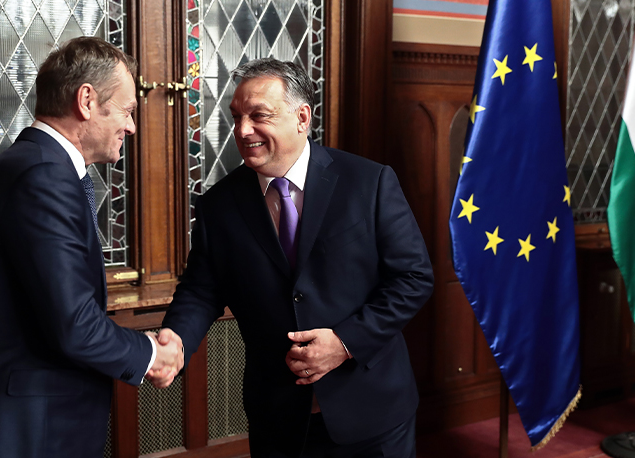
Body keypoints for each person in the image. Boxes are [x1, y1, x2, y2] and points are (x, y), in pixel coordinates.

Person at [155, 58, 433, 458]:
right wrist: (175, 340)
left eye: (258, 116)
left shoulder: (368, 182)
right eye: (236, 117)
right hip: (279, 416)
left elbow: (413, 277)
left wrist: (344, 342)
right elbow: (201, 290)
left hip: (372, 410)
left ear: (302, 117)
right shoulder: (218, 204)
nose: (242, 130)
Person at [0, 37, 183, 458]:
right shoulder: (43, 177)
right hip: (28, 427)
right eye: (126, 111)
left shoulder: (27, 166)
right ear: (86, 100)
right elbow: (75, 325)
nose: (132, 127)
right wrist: (149, 354)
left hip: (23, 416)